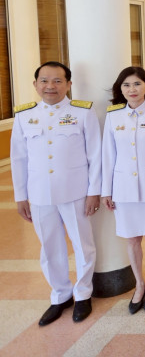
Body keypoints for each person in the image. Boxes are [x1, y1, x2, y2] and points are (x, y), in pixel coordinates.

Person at [10, 61, 101, 326]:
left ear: (69, 84)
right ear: (35, 84)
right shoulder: (24, 116)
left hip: (75, 192)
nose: (51, 86)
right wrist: (20, 196)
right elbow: (19, 159)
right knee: (50, 247)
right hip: (39, 194)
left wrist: (94, 192)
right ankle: (60, 295)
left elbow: (95, 156)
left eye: (58, 81)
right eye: (45, 81)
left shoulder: (83, 112)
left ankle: (83, 294)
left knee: (83, 245)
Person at [102, 66, 145, 314]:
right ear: (120, 89)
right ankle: (139, 284)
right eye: (126, 85)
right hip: (123, 189)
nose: (132, 89)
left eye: (137, 84)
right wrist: (106, 190)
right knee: (131, 238)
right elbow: (108, 156)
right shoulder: (113, 116)